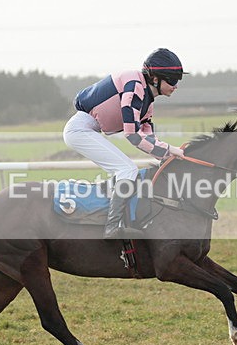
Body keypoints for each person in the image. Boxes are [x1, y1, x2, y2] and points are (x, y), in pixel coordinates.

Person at [63, 48, 187, 239]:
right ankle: (112, 227)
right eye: (172, 80)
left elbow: (149, 138)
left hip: (88, 129)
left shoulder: (148, 102)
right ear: (155, 78)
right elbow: (133, 136)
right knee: (127, 170)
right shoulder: (134, 84)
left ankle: (112, 217)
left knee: (125, 169)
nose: (176, 86)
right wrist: (170, 150)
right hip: (80, 129)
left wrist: (169, 156)